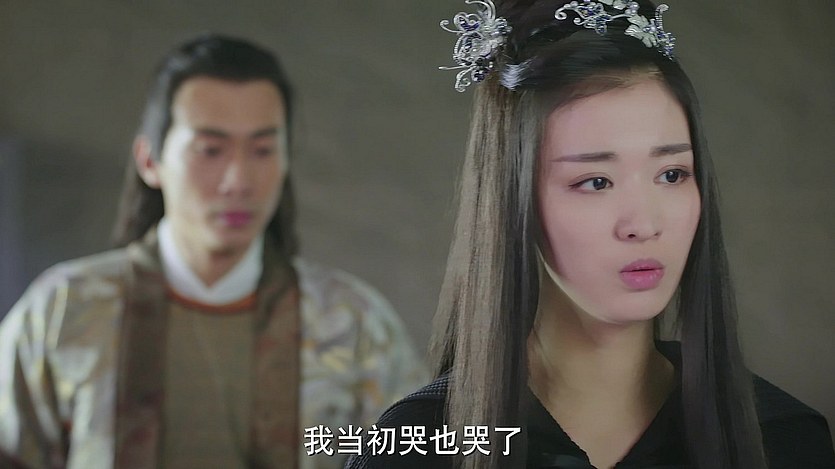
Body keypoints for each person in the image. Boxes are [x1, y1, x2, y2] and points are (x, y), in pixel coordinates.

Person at [346, 0, 835, 468]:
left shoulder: (784, 438)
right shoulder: (416, 450)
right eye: (595, 182)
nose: (644, 224)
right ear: (514, 201)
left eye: (671, 174)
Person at [0, 34, 427, 469]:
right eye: (210, 150)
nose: (238, 180)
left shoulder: (353, 322)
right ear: (150, 161)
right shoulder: (63, 311)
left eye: (263, 150)